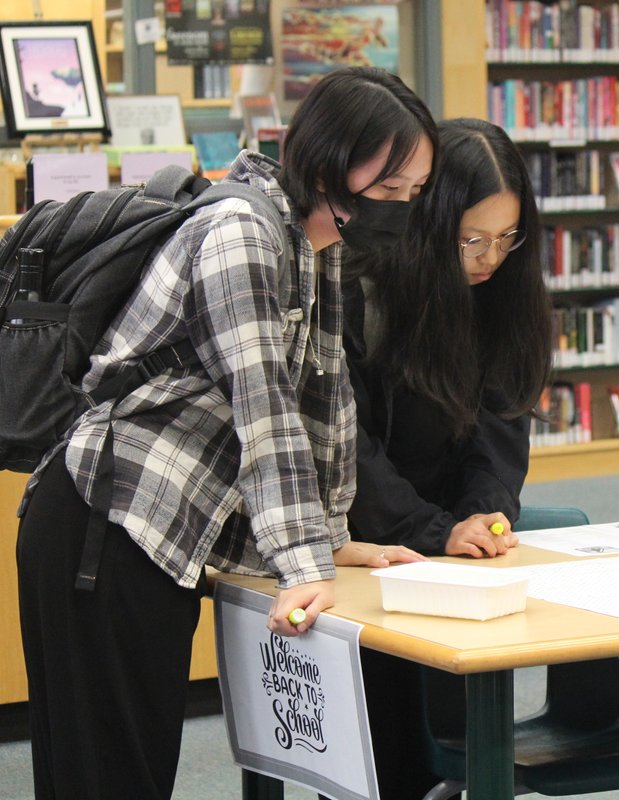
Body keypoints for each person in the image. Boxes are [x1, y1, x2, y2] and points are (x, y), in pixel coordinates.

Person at [15, 66, 436, 800]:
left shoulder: (315, 242)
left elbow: (325, 396)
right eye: (391, 188)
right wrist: (303, 563)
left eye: (413, 194)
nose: (400, 208)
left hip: (152, 534)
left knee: (132, 766)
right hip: (104, 527)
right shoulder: (241, 231)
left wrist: (331, 534)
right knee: (106, 777)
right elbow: (264, 407)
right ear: (331, 160)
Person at [340, 116, 552, 799]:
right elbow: (349, 445)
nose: (490, 258)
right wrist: (432, 530)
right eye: (472, 239)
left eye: (505, 238)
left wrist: (483, 515)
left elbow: (501, 430)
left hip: (446, 563)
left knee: (452, 757)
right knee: (377, 760)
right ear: (431, 222)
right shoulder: (362, 286)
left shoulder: (503, 296)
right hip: (363, 548)